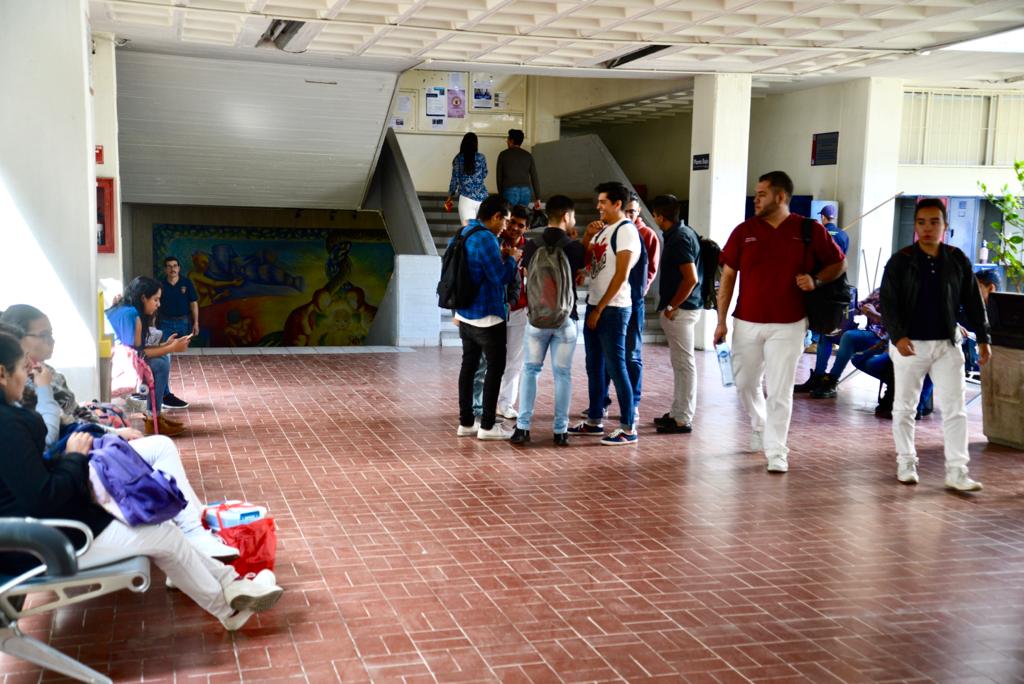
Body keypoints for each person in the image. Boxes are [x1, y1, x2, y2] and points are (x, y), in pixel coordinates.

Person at [0, 332, 283, 631]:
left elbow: (32, 479)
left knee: (163, 530)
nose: (27, 376)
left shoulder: (9, 418)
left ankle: (232, 588)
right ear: (2, 373)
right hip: (42, 544)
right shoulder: (6, 426)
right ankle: (230, 604)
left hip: (40, 531)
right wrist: (74, 457)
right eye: (22, 369)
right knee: (163, 535)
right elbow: (42, 495)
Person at [0, 305, 237, 560]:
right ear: (18, 341)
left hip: (81, 443)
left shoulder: (45, 373)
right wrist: (46, 393)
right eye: (44, 335)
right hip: (72, 456)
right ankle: (194, 535)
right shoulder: (19, 387)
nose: (52, 341)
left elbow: (72, 416)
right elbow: (47, 439)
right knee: (159, 450)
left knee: (158, 448)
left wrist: (108, 430)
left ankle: (194, 535)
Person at [715, 171, 846, 473]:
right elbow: (728, 276)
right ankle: (760, 424)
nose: (756, 199)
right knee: (745, 383)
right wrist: (721, 320)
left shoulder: (808, 229)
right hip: (746, 321)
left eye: (762, 194)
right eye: (756, 194)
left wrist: (815, 280)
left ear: (781, 196)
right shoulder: (743, 231)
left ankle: (777, 450)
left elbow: (839, 262)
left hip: (789, 323)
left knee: (780, 389)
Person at [880, 198, 991, 491]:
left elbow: (973, 302)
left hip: (946, 345)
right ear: (915, 226)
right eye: (921, 222)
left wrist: (983, 337)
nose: (927, 228)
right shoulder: (901, 260)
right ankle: (906, 461)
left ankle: (957, 470)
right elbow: (888, 303)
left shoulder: (957, 260)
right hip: (909, 345)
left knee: (956, 409)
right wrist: (898, 335)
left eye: (934, 222)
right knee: (905, 407)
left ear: (945, 226)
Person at [568, 182, 641, 446]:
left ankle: (628, 426)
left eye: (602, 202)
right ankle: (594, 420)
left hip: (613, 308)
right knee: (594, 365)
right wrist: (587, 237)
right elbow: (589, 263)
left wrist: (599, 309)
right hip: (596, 303)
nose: (598, 206)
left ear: (617, 204)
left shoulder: (626, 231)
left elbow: (621, 274)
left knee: (616, 365)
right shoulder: (603, 231)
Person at [511, 195, 585, 447]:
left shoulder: (532, 245)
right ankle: (560, 431)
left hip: (536, 319)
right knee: (562, 374)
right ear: (566, 216)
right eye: (573, 216)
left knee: (530, 371)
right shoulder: (575, 248)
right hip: (566, 319)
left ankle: (522, 428)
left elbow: (525, 274)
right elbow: (581, 278)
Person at [452, 195, 521, 440]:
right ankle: (488, 426)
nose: (506, 226)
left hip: (465, 314)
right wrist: (512, 260)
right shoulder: (486, 239)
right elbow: (499, 277)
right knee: (495, 368)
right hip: (488, 316)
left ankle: (466, 423)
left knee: (468, 367)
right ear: (495, 217)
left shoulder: (463, 233)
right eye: (506, 221)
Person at [106, 276, 191, 436]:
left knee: (163, 359)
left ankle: (155, 416)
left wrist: (167, 345)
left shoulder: (127, 309)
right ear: (143, 297)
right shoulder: (131, 314)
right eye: (156, 300)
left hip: (120, 360)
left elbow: (139, 350)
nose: (158, 305)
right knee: (160, 363)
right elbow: (138, 354)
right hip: (116, 366)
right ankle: (153, 418)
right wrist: (171, 347)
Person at [648, 195, 702, 434]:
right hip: (683, 308)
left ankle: (683, 417)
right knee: (680, 364)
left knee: (684, 364)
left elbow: (691, 278)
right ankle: (677, 412)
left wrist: (672, 306)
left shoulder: (679, 238)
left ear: (660, 216)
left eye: (655, 215)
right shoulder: (682, 233)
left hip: (682, 310)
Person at [495, 205, 530, 419]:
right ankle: (484, 402)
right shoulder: (496, 243)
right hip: (497, 308)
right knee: (492, 358)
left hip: (520, 311)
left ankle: (506, 403)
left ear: (526, 228)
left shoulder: (531, 249)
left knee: (514, 360)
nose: (515, 228)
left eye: (521, 225)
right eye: (513, 223)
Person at [157, 256, 197, 409]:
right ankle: (165, 393)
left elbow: (194, 303)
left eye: (175, 266)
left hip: (183, 321)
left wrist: (196, 322)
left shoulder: (186, 283)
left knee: (181, 357)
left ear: (179, 268)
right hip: (165, 322)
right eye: (169, 266)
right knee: (164, 358)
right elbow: (156, 305)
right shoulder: (160, 284)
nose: (172, 269)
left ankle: (164, 393)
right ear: (165, 269)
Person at [446, 132, 489, 227]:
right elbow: (485, 174)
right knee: (482, 230)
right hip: (483, 199)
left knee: (469, 231)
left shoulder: (458, 158)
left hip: (466, 199)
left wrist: (450, 196)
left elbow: (454, 179)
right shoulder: (481, 157)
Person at [495, 129, 541, 211]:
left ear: (511, 141)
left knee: (509, 217)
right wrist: (538, 198)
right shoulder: (528, 155)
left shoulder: (503, 155)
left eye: (508, 139)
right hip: (525, 191)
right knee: (522, 217)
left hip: (509, 190)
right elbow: (534, 177)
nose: (507, 142)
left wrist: (501, 195)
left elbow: (499, 178)